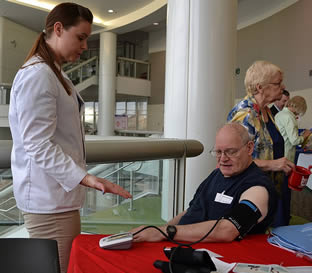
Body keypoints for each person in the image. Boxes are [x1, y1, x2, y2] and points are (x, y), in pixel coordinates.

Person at [8, 3, 131, 273]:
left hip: (57, 200)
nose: (85, 46)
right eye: (81, 37)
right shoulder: (39, 75)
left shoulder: (53, 73)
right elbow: (37, 145)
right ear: (58, 29)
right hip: (49, 204)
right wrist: (87, 178)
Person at [131, 123, 277, 243]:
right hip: (180, 245)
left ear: (250, 148)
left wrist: (165, 232)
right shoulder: (216, 174)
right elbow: (191, 210)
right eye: (218, 152)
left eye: (230, 152)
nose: (223, 159)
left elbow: (227, 230)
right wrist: (159, 231)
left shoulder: (257, 189)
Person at [227, 60, 295, 227]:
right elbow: (233, 160)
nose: (283, 86)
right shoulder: (245, 114)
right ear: (260, 87)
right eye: (277, 83)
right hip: (252, 195)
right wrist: (273, 165)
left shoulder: (266, 111)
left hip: (272, 190)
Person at [275, 96, 311, 162]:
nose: (298, 114)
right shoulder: (290, 117)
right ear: (299, 108)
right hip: (286, 155)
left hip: (278, 153)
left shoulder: (279, 114)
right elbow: (295, 141)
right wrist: (305, 135)